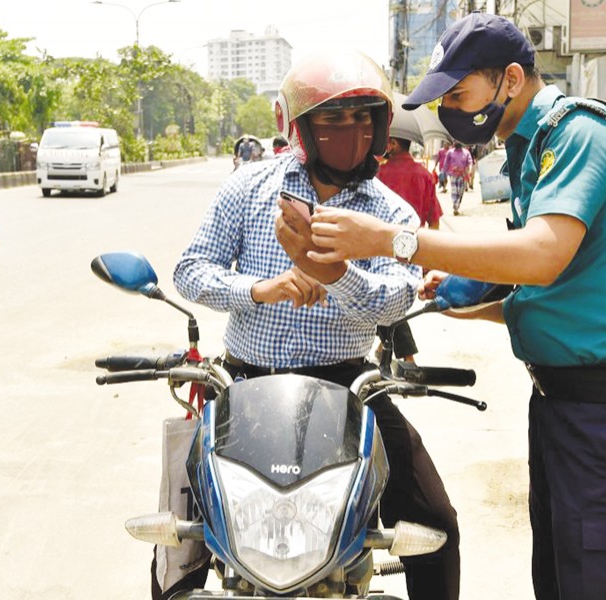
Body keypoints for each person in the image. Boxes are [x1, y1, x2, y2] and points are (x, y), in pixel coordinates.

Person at [306, 13, 606, 600]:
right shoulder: (527, 148)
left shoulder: (579, 133)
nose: (451, 112)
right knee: (563, 581)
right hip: (567, 408)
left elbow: (542, 256)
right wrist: (482, 307)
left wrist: (391, 242)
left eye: (460, 94)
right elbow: (563, 289)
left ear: (511, 78)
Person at [165, 50, 460, 600]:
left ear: (378, 127)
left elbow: (394, 299)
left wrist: (337, 275)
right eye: (331, 119)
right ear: (301, 127)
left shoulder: (388, 211)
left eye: (360, 119)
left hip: (349, 387)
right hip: (245, 386)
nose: (348, 132)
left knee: (435, 521)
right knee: (186, 525)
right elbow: (190, 269)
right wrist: (260, 289)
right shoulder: (249, 187)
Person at [376, 134, 444, 361]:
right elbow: (434, 219)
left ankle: (408, 358)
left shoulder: (378, 175)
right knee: (392, 303)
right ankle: (386, 350)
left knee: (385, 304)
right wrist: (429, 258)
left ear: (393, 144)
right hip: (414, 251)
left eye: (386, 141)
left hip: (381, 250)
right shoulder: (424, 175)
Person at [444, 141, 473, 215]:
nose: (456, 142)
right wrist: (445, 173)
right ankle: (455, 207)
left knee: (460, 192)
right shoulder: (450, 152)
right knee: (454, 191)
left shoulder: (466, 153)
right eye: (455, 141)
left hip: (462, 176)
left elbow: (470, 162)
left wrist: (469, 171)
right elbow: (446, 163)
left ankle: (457, 205)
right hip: (453, 175)